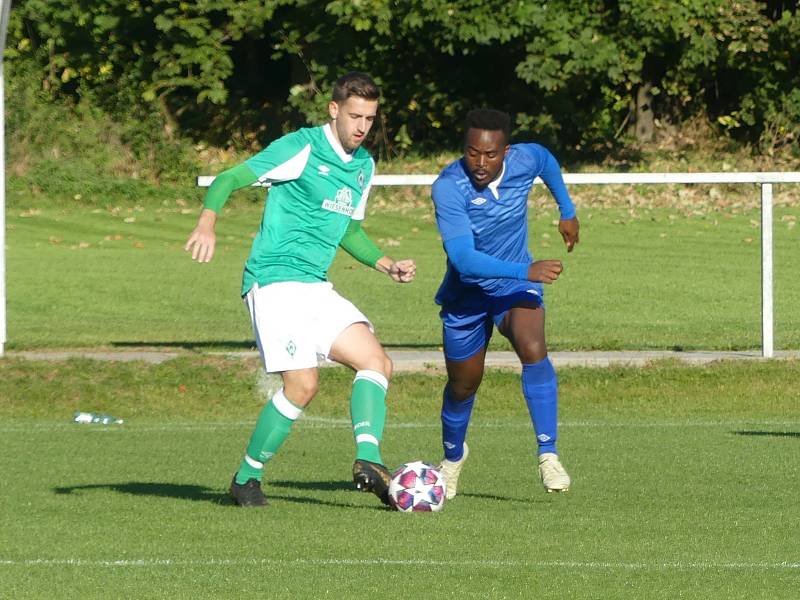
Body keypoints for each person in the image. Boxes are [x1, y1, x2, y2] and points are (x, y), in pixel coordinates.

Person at [185, 71, 416, 507]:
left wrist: (386, 263)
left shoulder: (363, 166)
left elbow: (349, 228)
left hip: (313, 286)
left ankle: (370, 462)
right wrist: (207, 221)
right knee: (302, 385)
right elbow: (228, 179)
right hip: (272, 282)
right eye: (354, 116)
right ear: (334, 110)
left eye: (369, 118)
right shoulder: (302, 147)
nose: (362, 127)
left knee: (377, 361)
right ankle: (247, 478)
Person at [431, 108, 580, 498]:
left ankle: (548, 453)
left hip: (513, 291)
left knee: (533, 346)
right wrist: (525, 271)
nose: (480, 163)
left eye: (490, 154)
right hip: (468, 292)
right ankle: (451, 460)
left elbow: (546, 159)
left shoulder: (525, 159)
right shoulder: (448, 187)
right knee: (463, 385)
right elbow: (464, 259)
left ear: (507, 151)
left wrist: (567, 211)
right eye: (471, 153)